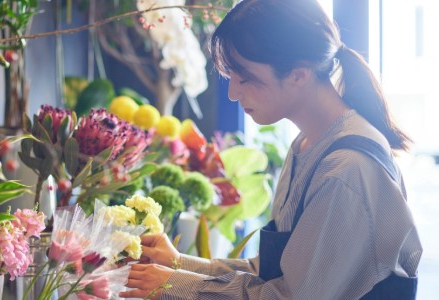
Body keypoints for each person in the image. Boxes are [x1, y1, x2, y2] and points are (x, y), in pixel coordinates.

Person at [119, 0, 423, 299]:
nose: (233, 92)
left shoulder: (346, 170)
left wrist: (174, 285)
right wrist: (177, 264)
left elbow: (289, 296)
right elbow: (276, 273)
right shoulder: (307, 145)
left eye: (245, 78)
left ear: (298, 74)